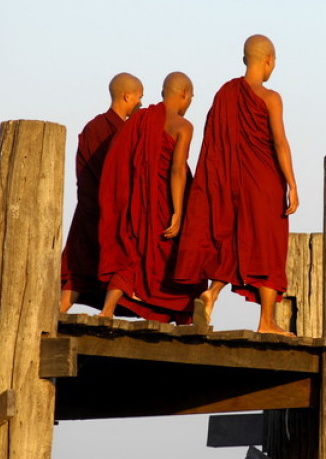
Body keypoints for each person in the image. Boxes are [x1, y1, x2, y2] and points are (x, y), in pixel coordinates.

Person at [175, 35, 298, 335]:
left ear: (246, 59)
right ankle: (267, 321)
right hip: (265, 182)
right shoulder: (270, 98)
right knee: (268, 246)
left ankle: (212, 293)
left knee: (233, 241)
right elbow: (279, 142)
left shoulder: (224, 94)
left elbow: (214, 146)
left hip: (230, 184)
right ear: (269, 61)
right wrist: (292, 184)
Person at [98, 71, 204, 323]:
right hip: (164, 203)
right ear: (184, 95)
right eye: (191, 99)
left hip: (136, 202)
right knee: (176, 258)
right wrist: (178, 212)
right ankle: (182, 316)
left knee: (130, 252)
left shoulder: (140, 119)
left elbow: (119, 160)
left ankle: (107, 310)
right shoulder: (182, 126)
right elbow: (177, 169)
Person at [60, 73, 143, 313]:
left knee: (79, 267)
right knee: (111, 262)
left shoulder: (93, 127)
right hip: (110, 209)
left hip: (88, 206)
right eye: (139, 96)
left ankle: (59, 311)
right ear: (128, 96)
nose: (140, 103)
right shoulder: (119, 131)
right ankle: (111, 309)